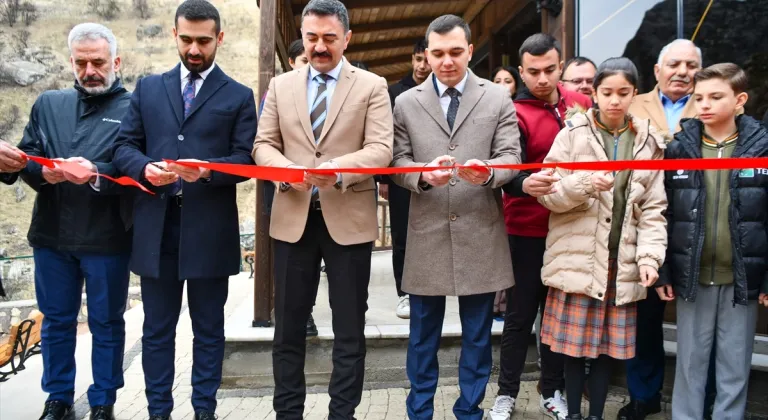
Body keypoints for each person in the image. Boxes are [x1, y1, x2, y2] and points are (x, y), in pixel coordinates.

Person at [111, 1, 257, 419]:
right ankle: (158, 411)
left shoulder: (238, 95)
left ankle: (204, 411)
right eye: (187, 39)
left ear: (220, 39)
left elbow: (245, 160)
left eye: (204, 41)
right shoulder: (148, 88)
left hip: (210, 232)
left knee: (209, 332)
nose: (195, 49)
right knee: (157, 332)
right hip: (156, 228)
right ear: (175, 35)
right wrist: (144, 167)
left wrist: (207, 173)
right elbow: (123, 146)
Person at [252, 0, 393, 417]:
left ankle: (342, 412)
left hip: (348, 219)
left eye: (329, 38)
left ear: (347, 38)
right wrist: (288, 171)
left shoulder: (372, 85)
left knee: (349, 328)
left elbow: (382, 149)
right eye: (312, 37)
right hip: (293, 219)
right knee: (289, 329)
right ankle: (288, 411)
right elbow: (263, 145)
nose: (319, 47)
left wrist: (339, 170)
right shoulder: (281, 86)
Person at [391, 14, 522, 419]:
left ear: (469, 50)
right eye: (437, 53)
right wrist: (421, 176)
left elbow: (511, 158)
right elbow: (397, 160)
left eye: (454, 52)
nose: (446, 61)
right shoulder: (406, 102)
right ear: (425, 55)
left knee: (479, 336)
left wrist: (491, 173)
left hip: (480, 229)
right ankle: (420, 410)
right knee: (422, 336)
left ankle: (470, 410)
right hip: (427, 229)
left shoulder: (497, 98)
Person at [0, 23, 132, 420]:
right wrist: (31, 169)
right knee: (57, 322)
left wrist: (94, 171)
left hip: (108, 237)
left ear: (116, 62)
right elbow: (28, 156)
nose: (90, 70)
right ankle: (57, 398)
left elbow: (134, 166)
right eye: (81, 62)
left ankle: (103, 400)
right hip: (51, 235)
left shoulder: (134, 108)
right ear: (71, 61)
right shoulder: (48, 103)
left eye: (98, 62)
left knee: (107, 323)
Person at [538, 57, 667, 420]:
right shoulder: (572, 134)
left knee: (609, 352)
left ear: (634, 94)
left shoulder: (648, 143)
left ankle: (595, 416)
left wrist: (648, 259)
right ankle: (575, 416)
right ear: (593, 93)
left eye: (623, 93)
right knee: (575, 351)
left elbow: (654, 211)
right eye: (606, 92)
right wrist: (582, 184)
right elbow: (548, 194)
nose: (614, 100)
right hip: (577, 260)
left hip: (620, 263)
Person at [490, 33, 591, 420]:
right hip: (524, 229)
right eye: (533, 72)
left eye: (550, 69)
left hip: (570, 228)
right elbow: (507, 167)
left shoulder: (581, 104)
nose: (543, 78)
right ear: (521, 71)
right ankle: (506, 394)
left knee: (556, 319)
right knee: (518, 316)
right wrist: (521, 184)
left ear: (560, 65)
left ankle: (552, 391)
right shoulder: (514, 112)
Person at [659, 62, 768, 420]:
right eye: (699, 97)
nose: (704, 105)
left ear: (740, 100)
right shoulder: (680, 149)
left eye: (715, 97)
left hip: (742, 278)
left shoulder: (761, 147)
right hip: (692, 274)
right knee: (690, 361)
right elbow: (665, 213)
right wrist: (664, 270)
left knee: (735, 364)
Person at [621, 38, 702, 420]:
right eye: (674, 64)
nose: (682, 72)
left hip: (696, 222)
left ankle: (704, 397)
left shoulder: (710, 105)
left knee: (700, 318)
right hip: (646, 224)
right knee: (646, 316)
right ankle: (644, 394)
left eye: (690, 65)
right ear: (657, 71)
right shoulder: (633, 105)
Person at [258, 38, 321, 337]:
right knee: (291, 272)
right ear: (293, 63)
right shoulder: (276, 93)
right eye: (304, 60)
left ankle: (307, 312)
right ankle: (296, 315)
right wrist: (285, 174)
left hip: (327, 200)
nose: (310, 65)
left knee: (314, 268)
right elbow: (264, 144)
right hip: (287, 194)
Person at [378, 39, 431, 319]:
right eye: (417, 59)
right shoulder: (394, 93)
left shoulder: (438, 93)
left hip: (433, 175)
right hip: (400, 173)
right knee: (401, 234)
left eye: (426, 59)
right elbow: (384, 138)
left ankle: (428, 286)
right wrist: (383, 178)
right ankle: (404, 293)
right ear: (412, 59)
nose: (422, 66)